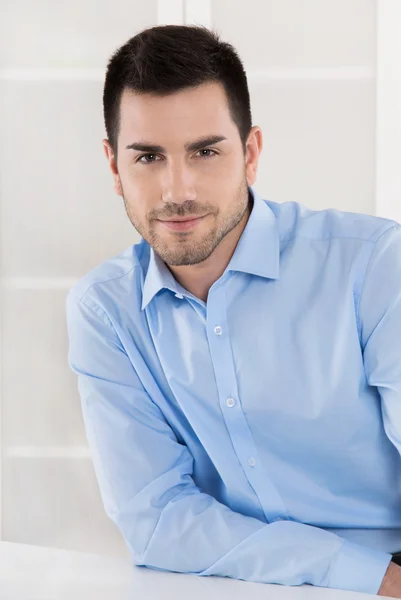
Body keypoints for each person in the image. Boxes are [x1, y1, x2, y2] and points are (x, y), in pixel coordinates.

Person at [65, 24, 401, 598]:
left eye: (205, 151)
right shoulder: (106, 311)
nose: (178, 189)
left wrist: (382, 580)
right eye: (148, 156)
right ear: (114, 166)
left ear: (250, 153)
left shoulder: (373, 266)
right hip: (229, 583)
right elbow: (157, 518)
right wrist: (356, 576)